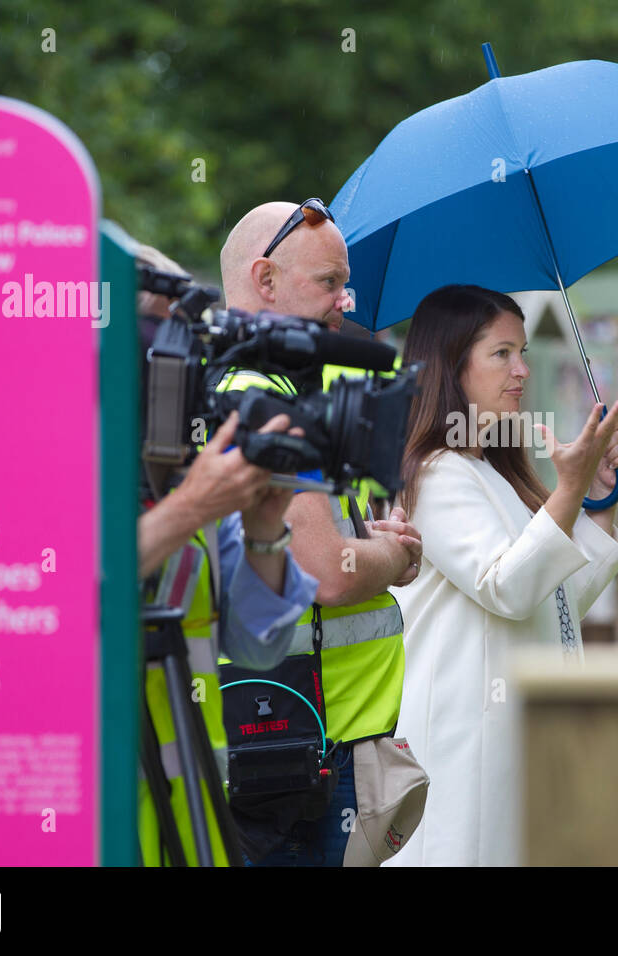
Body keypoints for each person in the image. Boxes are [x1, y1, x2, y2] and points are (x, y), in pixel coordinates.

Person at [384, 284, 618, 866]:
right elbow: (508, 587)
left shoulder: (489, 471)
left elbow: (555, 597)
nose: (521, 370)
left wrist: (596, 502)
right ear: (451, 364)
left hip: (515, 740)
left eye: (521, 352)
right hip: (465, 747)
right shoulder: (435, 472)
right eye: (502, 353)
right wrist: (569, 490)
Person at [214, 200, 424, 866]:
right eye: (329, 282)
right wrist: (393, 553)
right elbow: (327, 571)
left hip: (300, 736)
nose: (345, 302)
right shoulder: (261, 400)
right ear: (265, 281)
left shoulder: (258, 386)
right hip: (304, 745)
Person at [133, 244, 320, 867]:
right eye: (160, 339)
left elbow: (256, 644)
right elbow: (64, 593)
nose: (180, 363)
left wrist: (266, 529)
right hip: (84, 822)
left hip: (191, 826)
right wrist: (188, 510)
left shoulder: (180, 474)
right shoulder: (40, 459)